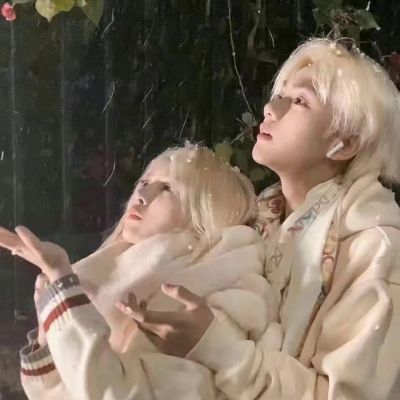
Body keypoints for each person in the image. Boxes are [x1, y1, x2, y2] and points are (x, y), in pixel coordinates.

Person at [121, 38, 400, 400]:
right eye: (278, 95)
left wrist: (220, 350)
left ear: (345, 143)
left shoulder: (376, 249)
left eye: (300, 101)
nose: (270, 109)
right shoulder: (255, 221)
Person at [0, 145, 274, 400]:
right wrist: (49, 332)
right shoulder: (117, 267)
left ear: (209, 211)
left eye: (168, 188)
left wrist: (63, 287)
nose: (142, 196)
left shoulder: (224, 285)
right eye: (144, 182)